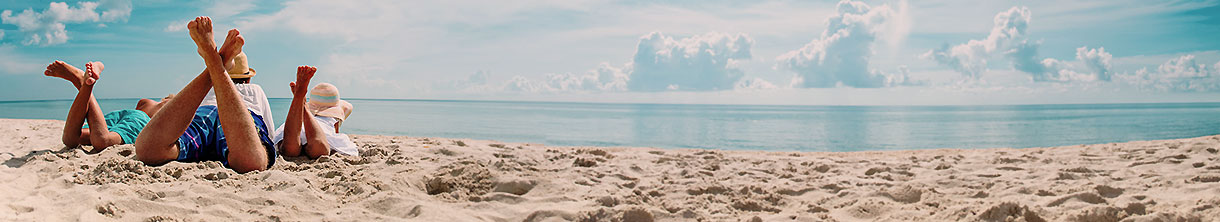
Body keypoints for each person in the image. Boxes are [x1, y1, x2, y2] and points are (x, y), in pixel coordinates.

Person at [133, 17, 275, 173]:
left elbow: (185, 113)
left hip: (206, 111)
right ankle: (215, 62)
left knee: (149, 150)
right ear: (248, 79)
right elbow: (269, 130)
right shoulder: (254, 89)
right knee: (251, 162)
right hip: (240, 116)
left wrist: (213, 71)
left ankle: (213, 62)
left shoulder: (203, 88)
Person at [43, 61, 171, 153]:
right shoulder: (166, 106)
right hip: (141, 120)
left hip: (122, 116)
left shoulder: (147, 102)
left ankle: (81, 82)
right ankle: (84, 84)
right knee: (103, 141)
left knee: (71, 140)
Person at [274, 74, 358, 158]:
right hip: (319, 130)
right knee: (320, 149)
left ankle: (301, 103)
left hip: (296, 126)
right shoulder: (331, 118)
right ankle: (305, 109)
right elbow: (335, 133)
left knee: (289, 149)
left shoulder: (296, 118)